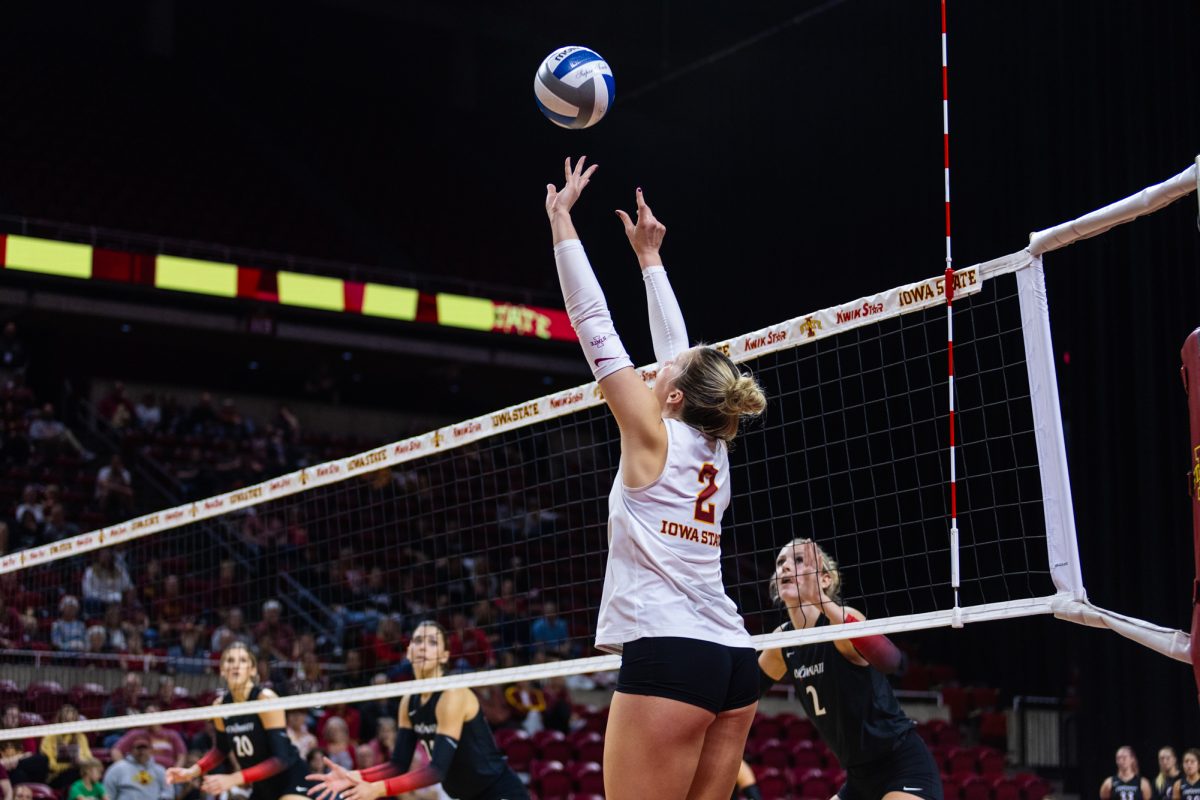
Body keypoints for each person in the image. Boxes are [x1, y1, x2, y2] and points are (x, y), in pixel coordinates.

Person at [544, 157, 766, 799]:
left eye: (666, 371)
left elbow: (594, 323)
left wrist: (563, 226)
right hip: (732, 658)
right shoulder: (712, 442)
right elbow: (682, 354)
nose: (658, 366)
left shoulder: (651, 432)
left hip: (671, 653)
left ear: (670, 398)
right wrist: (649, 259)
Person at [757, 539, 942, 800]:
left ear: (824, 580)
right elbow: (744, 692)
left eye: (798, 560)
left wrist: (820, 601)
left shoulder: (839, 624)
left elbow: (893, 663)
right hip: (858, 779)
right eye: (780, 563)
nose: (786, 567)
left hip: (902, 766)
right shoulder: (782, 641)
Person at [305, 620, 527, 800]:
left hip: (498, 791)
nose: (423, 646)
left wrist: (378, 789)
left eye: (432, 642)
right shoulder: (409, 701)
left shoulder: (453, 694)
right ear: (409, 651)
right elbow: (398, 764)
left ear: (444, 656)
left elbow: (436, 770)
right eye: (418, 641)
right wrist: (355, 775)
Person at [164, 642, 314, 800]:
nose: (236, 665)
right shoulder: (221, 705)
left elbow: (281, 758)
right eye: (230, 661)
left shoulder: (264, 699)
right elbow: (221, 749)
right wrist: (191, 772)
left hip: (291, 778)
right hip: (262, 786)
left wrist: (233, 779)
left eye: (242, 660)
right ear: (222, 670)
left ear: (252, 669)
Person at [40, 704, 93, 789]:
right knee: (73, 773)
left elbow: (89, 759)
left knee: (85, 774)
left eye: (72, 721)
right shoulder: (49, 737)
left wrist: (80, 761)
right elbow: (49, 764)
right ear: (60, 721)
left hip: (78, 771)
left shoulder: (81, 737)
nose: (69, 724)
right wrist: (69, 763)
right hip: (56, 776)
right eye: (66, 721)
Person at [102, 735, 171, 800]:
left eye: (145, 748)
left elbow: (168, 792)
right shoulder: (117, 769)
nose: (142, 752)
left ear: (151, 750)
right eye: (138, 748)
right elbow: (108, 793)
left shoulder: (160, 770)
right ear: (131, 750)